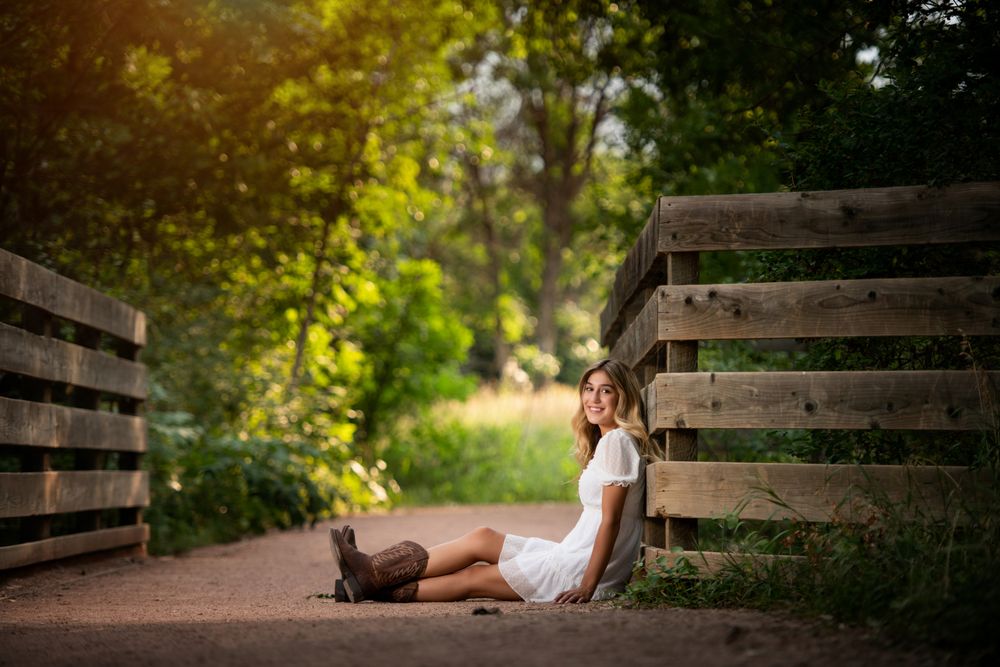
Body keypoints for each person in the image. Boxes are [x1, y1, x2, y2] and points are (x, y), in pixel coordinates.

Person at [329, 358, 660, 603]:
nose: (594, 399)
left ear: (623, 398)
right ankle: (369, 574)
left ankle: (371, 583)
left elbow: (611, 522)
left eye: (606, 391)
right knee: (482, 537)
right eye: (589, 389)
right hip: (571, 555)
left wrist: (588, 585)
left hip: (580, 569)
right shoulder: (609, 442)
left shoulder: (617, 441)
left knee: (473, 578)